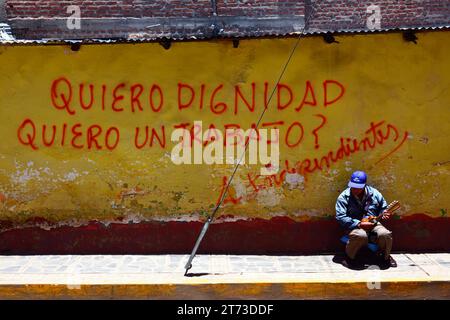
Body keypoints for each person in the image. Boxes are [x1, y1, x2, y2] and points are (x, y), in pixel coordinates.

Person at [335, 170, 397, 269]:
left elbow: (383, 208)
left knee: (385, 234)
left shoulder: (375, 193)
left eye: (358, 187)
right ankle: (349, 257)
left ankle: (384, 257)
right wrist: (359, 224)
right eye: (353, 186)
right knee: (360, 235)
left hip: (374, 222)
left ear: (364, 185)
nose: (355, 189)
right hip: (355, 225)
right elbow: (340, 217)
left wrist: (385, 214)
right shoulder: (344, 197)